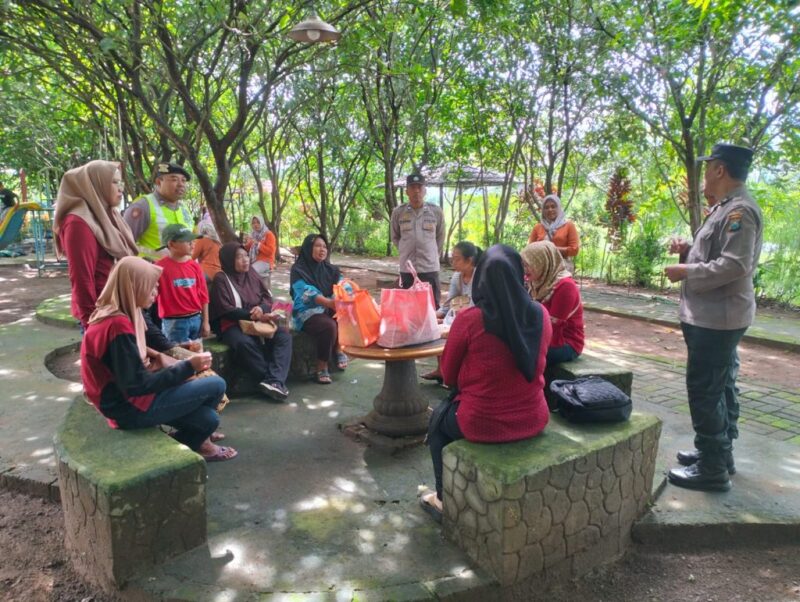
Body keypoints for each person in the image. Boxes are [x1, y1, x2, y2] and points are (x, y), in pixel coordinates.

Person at [419, 245, 552, 522]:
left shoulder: (469, 320)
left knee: (438, 424)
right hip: (535, 416)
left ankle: (442, 500)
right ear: (519, 275)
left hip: (481, 422)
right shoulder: (540, 314)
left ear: (482, 279)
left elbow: (449, 376)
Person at [664, 143, 763, 492]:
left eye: (708, 167)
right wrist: (689, 251)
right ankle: (718, 453)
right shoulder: (725, 208)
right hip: (713, 316)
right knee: (720, 386)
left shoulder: (739, 212)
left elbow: (735, 265)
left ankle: (712, 469)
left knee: (705, 389)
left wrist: (685, 271)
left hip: (717, 319)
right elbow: (717, 254)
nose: (704, 174)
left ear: (720, 170)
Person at [80, 256, 237, 462]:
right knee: (216, 384)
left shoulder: (117, 312)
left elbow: (131, 355)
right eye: (151, 286)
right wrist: (188, 367)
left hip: (122, 400)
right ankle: (201, 443)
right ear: (134, 286)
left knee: (208, 420)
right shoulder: (117, 324)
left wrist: (172, 356)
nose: (156, 291)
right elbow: (137, 385)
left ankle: (194, 439)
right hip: (127, 408)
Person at [53, 160, 139, 328]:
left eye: (120, 182)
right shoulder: (79, 223)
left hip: (118, 306)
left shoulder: (108, 214)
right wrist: (92, 323)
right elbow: (81, 278)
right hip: (101, 313)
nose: (121, 188)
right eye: (114, 182)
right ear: (95, 185)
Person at [210, 242, 292, 401]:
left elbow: (267, 297)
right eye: (239, 257)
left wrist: (261, 308)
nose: (245, 260)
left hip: (258, 320)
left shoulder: (252, 273)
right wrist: (252, 315)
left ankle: (274, 381)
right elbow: (226, 309)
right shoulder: (221, 279)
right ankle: (271, 380)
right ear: (228, 260)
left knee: (283, 337)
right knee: (244, 344)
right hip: (233, 323)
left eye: (246, 255)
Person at [290, 234, 349, 384]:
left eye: (324, 246)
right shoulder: (298, 269)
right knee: (329, 326)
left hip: (329, 306)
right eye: (317, 246)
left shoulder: (330, 269)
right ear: (308, 248)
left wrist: (348, 294)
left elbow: (343, 284)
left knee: (346, 313)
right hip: (307, 312)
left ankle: (339, 348)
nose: (322, 249)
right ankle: (322, 365)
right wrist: (328, 302)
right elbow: (305, 291)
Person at [421, 241, 482, 383]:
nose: (453, 262)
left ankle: (454, 373)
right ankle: (441, 369)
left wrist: (456, 322)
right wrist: (429, 317)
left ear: (469, 260)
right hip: (457, 317)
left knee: (448, 333)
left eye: (457, 259)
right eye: (452, 258)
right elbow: (448, 305)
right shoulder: (456, 277)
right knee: (435, 327)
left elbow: (476, 307)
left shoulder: (479, 277)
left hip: (473, 320)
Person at [521, 241, 585, 365]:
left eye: (528, 265)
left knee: (519, 352)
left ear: (542, 262)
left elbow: (553, 328)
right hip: (541, 335)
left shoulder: (566, 287)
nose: (525, 270)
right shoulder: (536, 281)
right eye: (523, 265)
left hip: (565, 342)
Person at [390, 172, 445, 308]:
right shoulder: (398, 212)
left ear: (425, 190)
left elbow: (440, 237)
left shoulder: (436, 211)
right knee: (408, 308)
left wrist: (432, 255)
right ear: (407, 191)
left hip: (429, 268)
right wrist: (405, 250)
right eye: (412, 187)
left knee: (432, 307)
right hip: (407, 269)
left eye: (419, 187)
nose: (416, 191)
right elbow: (395, 237)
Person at [123, 161, 194, 259]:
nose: (181, 184)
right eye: (174, 179)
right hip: (152, 267)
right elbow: (123, 244)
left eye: (183, 180)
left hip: (184, 268)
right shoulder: (143, 206)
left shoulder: (184, 208)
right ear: (159, 182)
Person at [155, 224, 210, 343]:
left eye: (193, 241)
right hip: (173, 322)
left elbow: (204, 296)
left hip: (196, 318)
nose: (192, 244)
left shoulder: (195, 266)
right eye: (187, 241)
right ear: (171, 244)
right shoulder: (159, 268)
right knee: (177, 353)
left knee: (197, 351)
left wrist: (206, 321)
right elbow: (152, 295)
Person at [528, 194, 580, 271]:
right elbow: (530, 249)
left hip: (562, 266)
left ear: (558, 208)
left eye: (553, 206)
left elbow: (574, 250)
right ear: (543, 211)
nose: (550, 209)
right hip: (541, 267)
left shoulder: (568, 225)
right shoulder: (538, 227)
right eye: (546, 207)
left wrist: (551, 249)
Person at [245, 215, 276, 292]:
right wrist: (246, 242)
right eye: (253, 223)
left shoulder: (269, 234)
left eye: (258, 222)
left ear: (262, 223)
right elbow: (247, 249)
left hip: (266, 261)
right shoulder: (253, 235)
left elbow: (270, 252)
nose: (255, 225)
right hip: (254, 261)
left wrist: (258, 244)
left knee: (250, 271)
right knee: (243, 270)